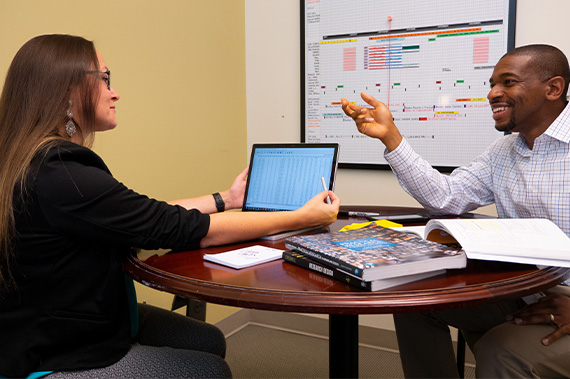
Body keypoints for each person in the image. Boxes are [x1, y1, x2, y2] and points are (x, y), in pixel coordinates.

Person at [0, 34, 340, 378]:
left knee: (207, 339)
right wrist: (301, 217)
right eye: (104, 79)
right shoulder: (63, 175)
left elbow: (144, 213)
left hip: (59, 321)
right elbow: (188, 230)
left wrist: (228, 199)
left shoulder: (36, 161)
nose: (114, 92)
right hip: (52, 353)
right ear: (67, 93)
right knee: (209, 370)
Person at [341, 44, 570, 378]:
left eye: (508, 82)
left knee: (500, 352)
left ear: (553, 88)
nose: (493, 93)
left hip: (564, 298)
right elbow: (446, 197)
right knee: (414, 297)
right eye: (492, 83)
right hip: (522, 288)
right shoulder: (504, 151)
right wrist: (391, 137)